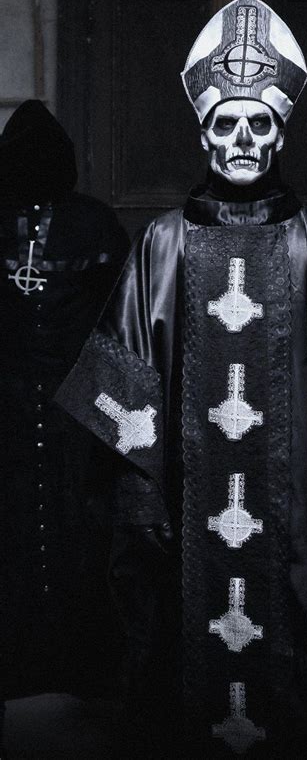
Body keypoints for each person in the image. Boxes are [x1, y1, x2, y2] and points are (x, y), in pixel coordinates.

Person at [56, 0, 307, 758]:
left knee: (300, 687)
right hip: (187, 518)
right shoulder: (162, 245)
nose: (244, 141)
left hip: (298, 520)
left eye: (260, 124)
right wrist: (142, 497)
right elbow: (120, 381)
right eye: (227, 124)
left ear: (282, 133)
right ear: (203, 132)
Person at [0, 100, 129, 751]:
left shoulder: (94, 225)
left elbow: (118, 324)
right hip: (9, 410)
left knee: (82, 532)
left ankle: (82, 664)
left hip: (76, 413)